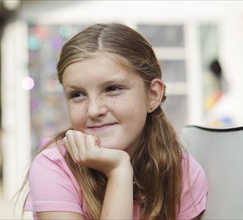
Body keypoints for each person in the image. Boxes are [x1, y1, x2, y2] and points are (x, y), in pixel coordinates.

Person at [23, 23, 208, 220]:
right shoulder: (54, 167)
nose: (94, 110)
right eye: (77, 94)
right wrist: (118, 171)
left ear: (153, 95)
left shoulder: (183, 174)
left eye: (112, 89)